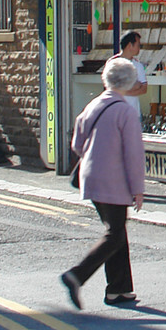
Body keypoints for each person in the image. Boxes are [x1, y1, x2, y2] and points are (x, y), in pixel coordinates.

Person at [61, 56, 146, 310]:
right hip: (114, 180)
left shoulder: (93, 106)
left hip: (91, 177)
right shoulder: (126, 113)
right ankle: (77, 275)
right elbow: (133, 155)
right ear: (129, 82)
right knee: (115, 233)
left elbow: (77, 144)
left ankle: (119, 289)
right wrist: (138, 189)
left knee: (117, 231)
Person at [118, 30, 149, 95]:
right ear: (130, 45)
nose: (139, 49)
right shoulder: (114, 64)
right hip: (117, 104)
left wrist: (124, 92)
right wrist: (135, 86)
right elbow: (111, 88)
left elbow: (144, 88)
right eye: (138, 45)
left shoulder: (138, 65)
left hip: (132, 105)